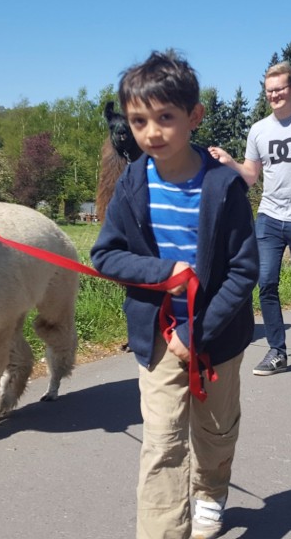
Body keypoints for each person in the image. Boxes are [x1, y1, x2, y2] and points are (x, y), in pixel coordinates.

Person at [91, 50, 259, 539]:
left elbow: (243, 270)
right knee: (162, 443)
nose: (152, 132)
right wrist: (165, 272)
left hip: (218, 339)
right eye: (139, 120)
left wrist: (198, 331)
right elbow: (106, 255)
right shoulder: (132, 183)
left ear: (194, 117)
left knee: (215, 430)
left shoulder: (224, 186)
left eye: (166, 118)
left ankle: (210, 491)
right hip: (158, 338)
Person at [209, 61, 291, 375]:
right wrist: (229, 162)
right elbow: (251, 176)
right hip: (269, 216)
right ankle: (277, 350)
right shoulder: (259, 130)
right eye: (269, 91)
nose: (274, 95)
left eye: (280, 89)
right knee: (265, 282)